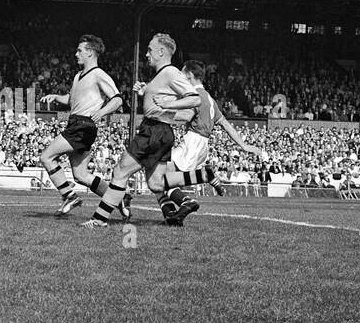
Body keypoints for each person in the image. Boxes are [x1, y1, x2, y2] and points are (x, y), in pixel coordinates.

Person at [81, 33, 207, 228]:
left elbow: (195, 99)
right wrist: (145, 92)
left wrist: (171, 104)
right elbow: (160, 99)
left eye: (149, 49)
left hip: (154, 130)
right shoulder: (161, 75)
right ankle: (202, 175)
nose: (146, 54)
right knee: (156, 183)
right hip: (160, 131)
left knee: (120, 171)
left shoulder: (170, 72)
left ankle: (99, 219)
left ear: (161, 51)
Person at [37, 35, 123, 216]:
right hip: (78, 123)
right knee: (81, 175)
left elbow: (117, 99)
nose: (76, 54)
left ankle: (69, 196)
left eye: (80, 50)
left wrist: (102, 112)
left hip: (83, 125)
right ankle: (116, 199)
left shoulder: (98, 74)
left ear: (90, 53)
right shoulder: (78, 76)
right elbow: (71, 99)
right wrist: (56, 97)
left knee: (47, 157)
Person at [156, 61, 267, 200]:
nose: (179, 77)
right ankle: (200, 182)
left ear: (189, 75)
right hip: (202, 144)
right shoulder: (209, 98)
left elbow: (186, 116)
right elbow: (225, 124)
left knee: (164, 175)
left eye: (181, 74)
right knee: (169, 177)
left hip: (193, 141)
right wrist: (243, 145)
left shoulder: (195, 96)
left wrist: (161, 114)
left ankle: (185, 202)